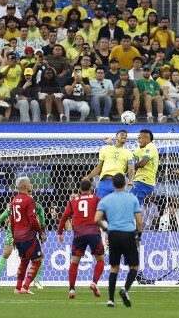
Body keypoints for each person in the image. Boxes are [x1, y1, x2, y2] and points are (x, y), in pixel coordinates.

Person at [94, 173, 142, 308]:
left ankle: (110, 300)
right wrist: (139, 236)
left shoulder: (106, 199)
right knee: (134, 267)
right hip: (128, 234)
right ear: (126, 183)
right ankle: (125, 289)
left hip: (114, 235)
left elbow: (97, 219)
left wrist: (106, 229)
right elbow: (139, 221)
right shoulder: (132, 199)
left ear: (113, 184)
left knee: (114, 268)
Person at [58, 180, 105, 299]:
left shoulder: (73, 201)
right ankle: (94, 282)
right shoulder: (96, 199)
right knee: (100, 260)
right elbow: (104, 214)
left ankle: (72, 290)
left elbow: (64, 216)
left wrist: (60, 232)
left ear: (79, 190)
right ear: (91, 189)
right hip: (94, 233)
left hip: (79, 234)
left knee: (74, 262)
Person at [0, 199, 46, 289]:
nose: (29, 196)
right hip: (14, 230)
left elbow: (42, 215)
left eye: (30, 194)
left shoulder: (37, 206)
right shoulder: (15, 203)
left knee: (40, 254)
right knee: (7, 252)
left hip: (30, 231)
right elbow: (5, 214)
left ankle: (36, 281)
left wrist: (42, 231)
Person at [10, 176, 47, 294]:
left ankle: (18, 288)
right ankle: (25, 287)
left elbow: (12, 220)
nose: (31, 185)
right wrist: (41, 233)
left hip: (17, 236)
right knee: (37, 261)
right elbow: (32, 219)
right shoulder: (29, 200)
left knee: (24, 261)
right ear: (25, 186)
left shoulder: (14, 200)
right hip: (28, 236)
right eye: (30, 183)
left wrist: (14, 237)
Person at [83, 129, 134, 198]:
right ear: (116, 137)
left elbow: (131, 168)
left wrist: (131, 180)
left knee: (116, 207)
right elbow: (99, 167)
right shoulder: (105, 149)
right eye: (122, 134)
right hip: (104, 182)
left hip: (118, 183)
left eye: (126, 136)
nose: (124, 136)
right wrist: (88, 177)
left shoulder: (129, 153)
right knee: (100, 206)